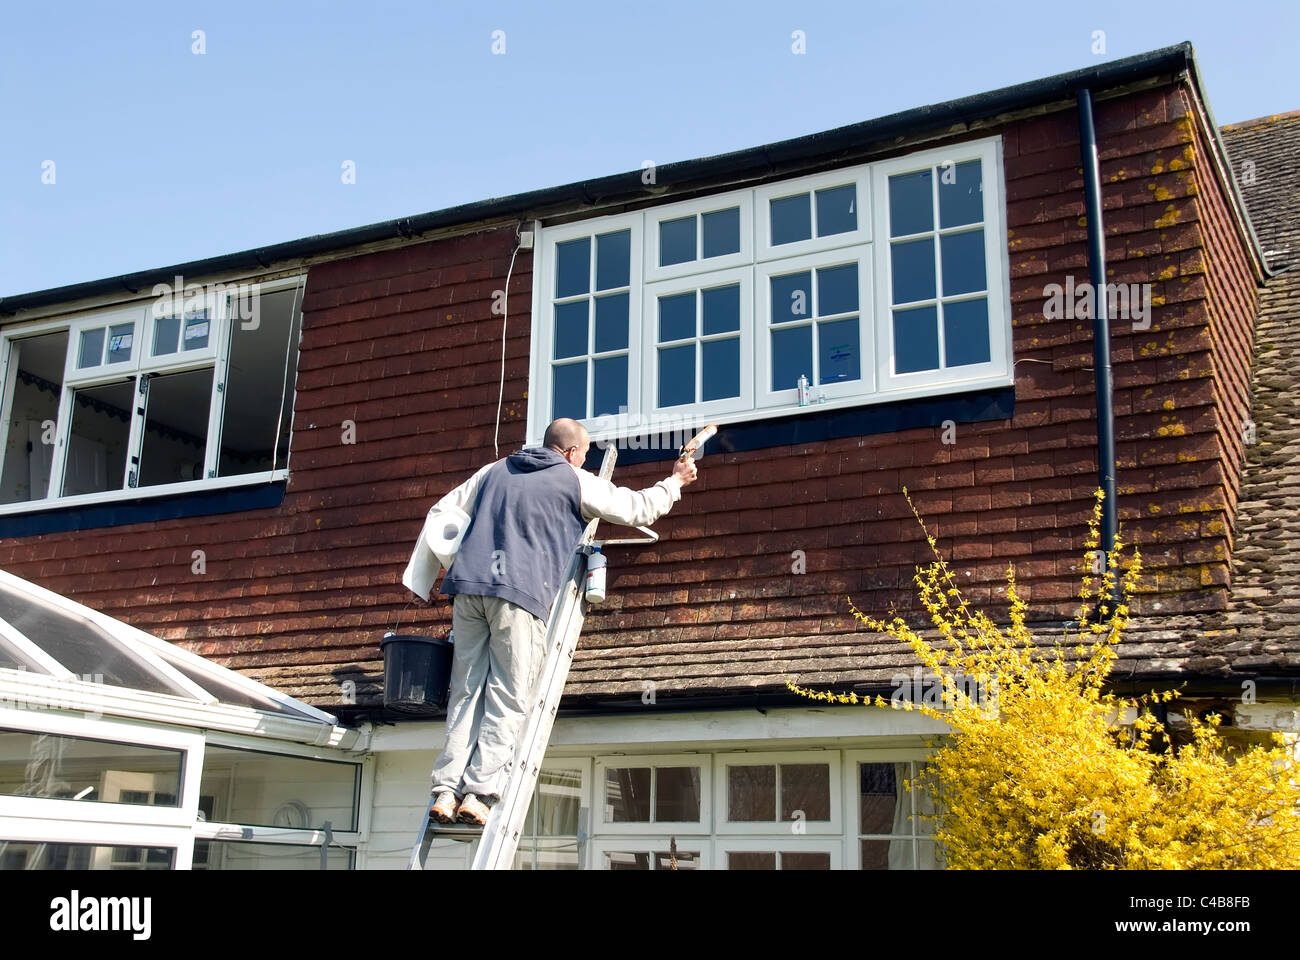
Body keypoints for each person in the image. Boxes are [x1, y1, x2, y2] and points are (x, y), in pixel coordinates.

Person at [408, 418, 698, 825]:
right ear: (571, 452)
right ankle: (478, 794)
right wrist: (674, 482)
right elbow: (637, 509)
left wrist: (424, 575)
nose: (584, 461)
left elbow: (443, 511)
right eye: (583, 454)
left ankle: (445, 789)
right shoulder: (575, 480)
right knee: (510, 694)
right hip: (519, 595)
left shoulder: (494, 470)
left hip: (469, 590)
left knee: (467, 692)